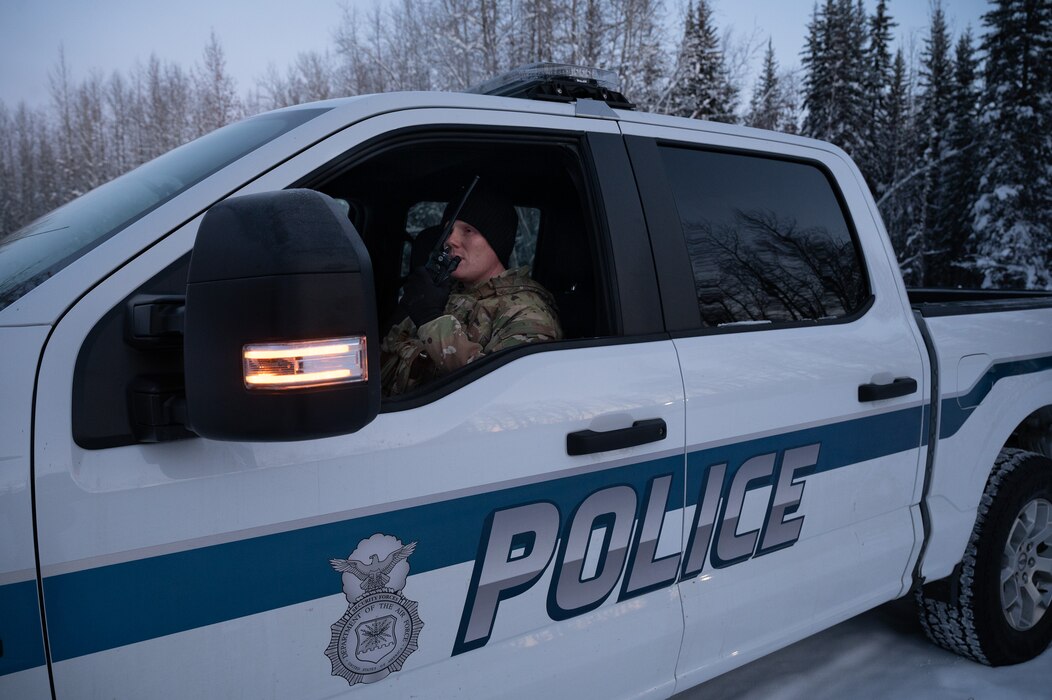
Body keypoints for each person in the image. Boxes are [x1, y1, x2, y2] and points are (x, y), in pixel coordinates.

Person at [380, 185, 562, 396]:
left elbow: (504, 393)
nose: (450, 241)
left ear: (496, 241)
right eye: (448, 230)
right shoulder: (443, 292)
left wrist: (432, 320)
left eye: (468, 230)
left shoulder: (526, 312)